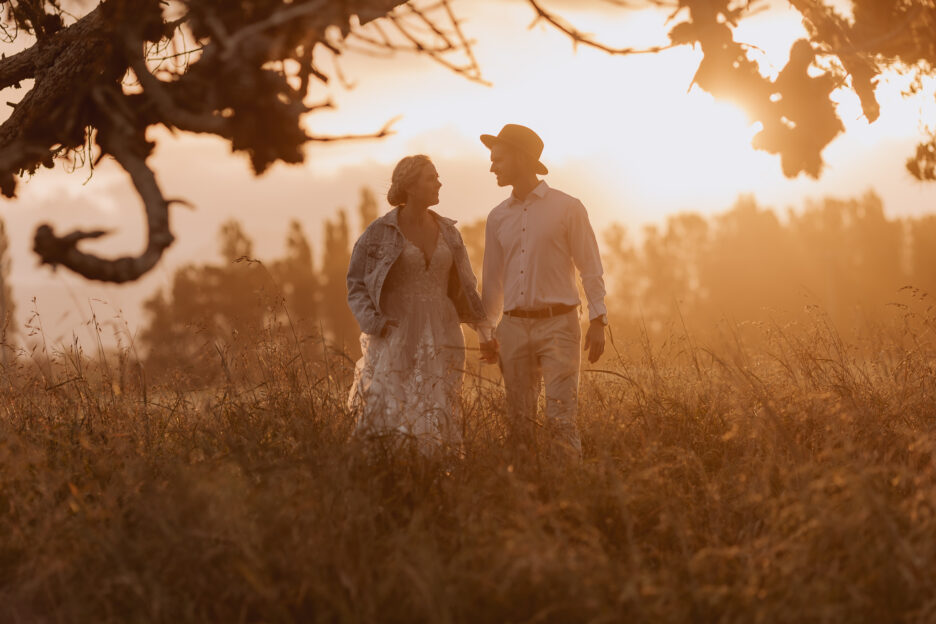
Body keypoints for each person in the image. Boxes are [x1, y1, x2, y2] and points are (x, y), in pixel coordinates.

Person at [478, 124, 608, 456]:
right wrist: (486, 331)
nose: (492, 166)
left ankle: (570, 498)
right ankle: (529, 499)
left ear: (521, 158)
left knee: (561, 419)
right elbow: (491, 279)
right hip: (513, 329)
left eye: (499, 159)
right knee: (519, 424)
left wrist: (598, 320)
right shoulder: (496, 219)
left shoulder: (568, 208)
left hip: (559, 325)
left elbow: (590, 266)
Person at [346, 154, 488, 451]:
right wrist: (374, 322)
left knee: (441, 404)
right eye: (431, 177)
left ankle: (437, 474)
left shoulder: (449, 232)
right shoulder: (379, 232)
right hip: (396, 332)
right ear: (410, 186)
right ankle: (394, 473)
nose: (439, 183)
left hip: (445, 330)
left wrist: (485, 331)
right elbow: (356, 283)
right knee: (395, 405)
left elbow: (467, 286)